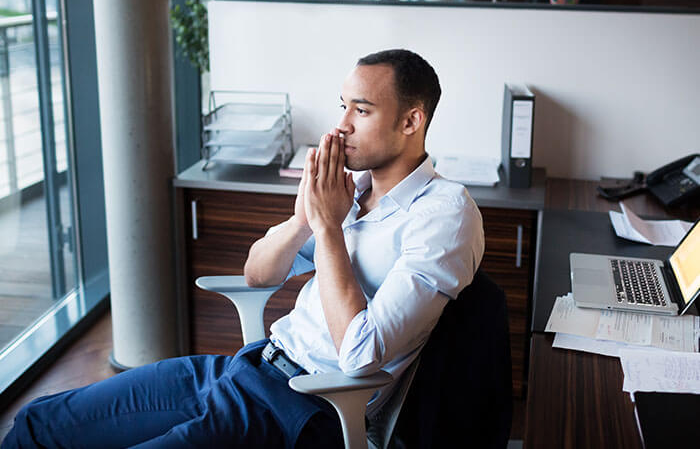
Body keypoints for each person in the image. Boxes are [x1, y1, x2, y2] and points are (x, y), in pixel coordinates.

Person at [2, 49, 484, 448]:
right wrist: (303, 219)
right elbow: (258, 274)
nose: (341, 126)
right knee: (39, 424)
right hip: (250, 367)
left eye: (361, 110)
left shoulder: (443, 213)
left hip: (305, 407)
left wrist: (329, 228)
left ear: (411, 120)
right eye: (342, 106)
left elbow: (361, 355)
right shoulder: (350, 189)